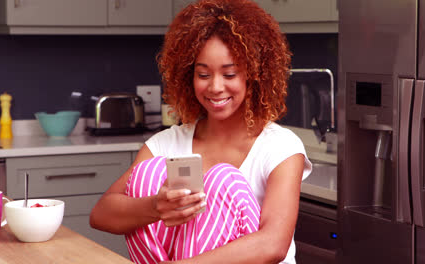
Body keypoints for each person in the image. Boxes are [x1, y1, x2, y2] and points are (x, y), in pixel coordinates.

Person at [89, 0, 312, 263]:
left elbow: (274, 244)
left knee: (222, 178)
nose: (215, 87)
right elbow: (101, 214)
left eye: (229, 75)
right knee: (148, 174)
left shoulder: (281, 147)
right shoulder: (166, 143)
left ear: (254, 75)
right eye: (203, 75)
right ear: (188, 76)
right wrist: (155, 208)